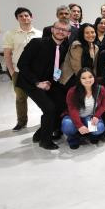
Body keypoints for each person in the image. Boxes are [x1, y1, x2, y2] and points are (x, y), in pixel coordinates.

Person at [17, 19, 71, 150]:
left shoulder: (64, 48)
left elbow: (58, 67)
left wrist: (54, 82)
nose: (60, 31)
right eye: (58, 28)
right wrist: (37, 82)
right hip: (30, 82)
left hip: (50, 83)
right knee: (49, 108)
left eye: (64, 30)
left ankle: (40, 133)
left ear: (68, 33)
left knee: (62, 104)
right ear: (52, 29)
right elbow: (21, 64)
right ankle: (45, 141)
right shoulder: (37, 43)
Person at [3, 7, 42, 131]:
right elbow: (7, 53)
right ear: (17, 18)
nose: (24, 18)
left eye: (26, 15)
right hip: (18, 72)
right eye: (21, 16)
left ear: (31, 17)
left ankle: (47, 118)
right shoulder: (11, 34)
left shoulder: (39, 34)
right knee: (20, 98)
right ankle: (21, 122)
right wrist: (11, 71)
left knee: (41, 97)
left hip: (36, 72)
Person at [61, 68, 105, 149]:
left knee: (99, 128)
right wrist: (79, 125)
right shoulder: (72, 91)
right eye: (84, 78)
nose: (88, 80)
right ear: (79, 79)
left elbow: (103, 106)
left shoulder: (101, 89)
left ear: (94, 77)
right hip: (73, 117)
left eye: (90, 77)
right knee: (67, 125)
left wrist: (96, 116)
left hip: (89, 116)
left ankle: (90, 135)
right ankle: (73, 138)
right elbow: (72, 110)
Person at [60, 23, 99, 88]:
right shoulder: (76, 45)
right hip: (73, 78)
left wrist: (93, 80)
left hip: (87, 78)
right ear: (82, 34)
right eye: (87, 33)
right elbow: (77, 68)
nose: (90, 35)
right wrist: (86, 82)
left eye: (92, 32)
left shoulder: (96, 47)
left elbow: (94, 67)